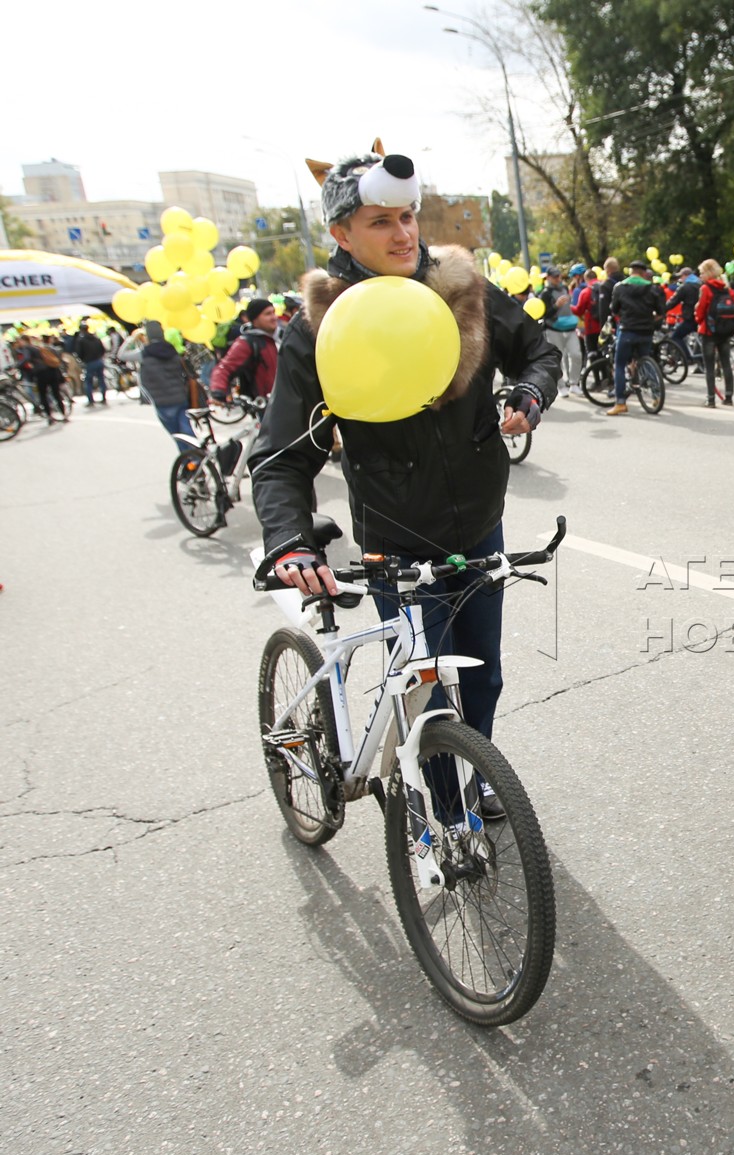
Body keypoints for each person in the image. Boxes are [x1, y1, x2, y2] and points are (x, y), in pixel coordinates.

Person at [250, 145, 559, 793]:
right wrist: (289, 540)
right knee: (428, 693)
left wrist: (530, 393)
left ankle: (476, 782)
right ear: (342, 234)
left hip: (480, 524)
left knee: (483, 676)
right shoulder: (321, 324)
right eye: (381, 222)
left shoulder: (460, 286)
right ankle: (445, 818)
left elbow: (537, 351)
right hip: (396, 541)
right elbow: (281, 454)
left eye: (408, 216)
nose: (404, 234)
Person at [604, 259, 666, 416]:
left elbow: (614, 309)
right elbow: (661, 312)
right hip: (646, 332)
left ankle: (620, 403)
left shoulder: (620, 287)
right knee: (645, 361)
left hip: (627, 330)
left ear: (630, 271)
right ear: (644, 273)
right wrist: (650, 320)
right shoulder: (653, 288)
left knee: (619, 364)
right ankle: (656, 396)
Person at [209, 297, 279, 406]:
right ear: (255, 319)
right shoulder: (247, 342)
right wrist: (218, 392)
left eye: (274, 312)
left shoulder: (279, 337)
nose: (274, 317)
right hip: (265, 406)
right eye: (267, 314)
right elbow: (225, 368)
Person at [694, 259, 734, 406]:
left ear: (709, 273)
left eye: (702, 273)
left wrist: (698, 319)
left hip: (709, 332)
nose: (700, 276)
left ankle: (711, 399)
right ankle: (728, 397)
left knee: (709, 366)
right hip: (725, 331)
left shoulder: (705, 289)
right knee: (726, 363)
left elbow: (700, 311)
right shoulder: (727, 288)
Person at [136, 320, 195, 443]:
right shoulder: (172, 350)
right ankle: (196, 453)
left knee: (177, 435)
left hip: (161, 401)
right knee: (187, 432)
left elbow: (121, 355)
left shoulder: (143, 354)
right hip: (180, 397)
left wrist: (132, 339)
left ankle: (188, 454)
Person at [664, 264, 701, 373]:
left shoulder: (685, 287)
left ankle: (687, 358)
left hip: (690, 318)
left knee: (676, 336)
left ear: (686, 275)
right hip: (702, 318)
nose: (680, 279)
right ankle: (701, 362)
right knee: (701, 338)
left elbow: (673, 301)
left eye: (681, 276)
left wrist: (661, 310)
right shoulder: (701, 284)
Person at [73, 320, 108, 406]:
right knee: (101, 380)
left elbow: (79, 353)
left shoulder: (81, 340)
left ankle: (91, 400)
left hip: (89, 362)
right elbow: (103, 350)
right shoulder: (95, 338)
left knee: (88, 382)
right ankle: (103, 397)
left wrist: (83, 360)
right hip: (99, 360)